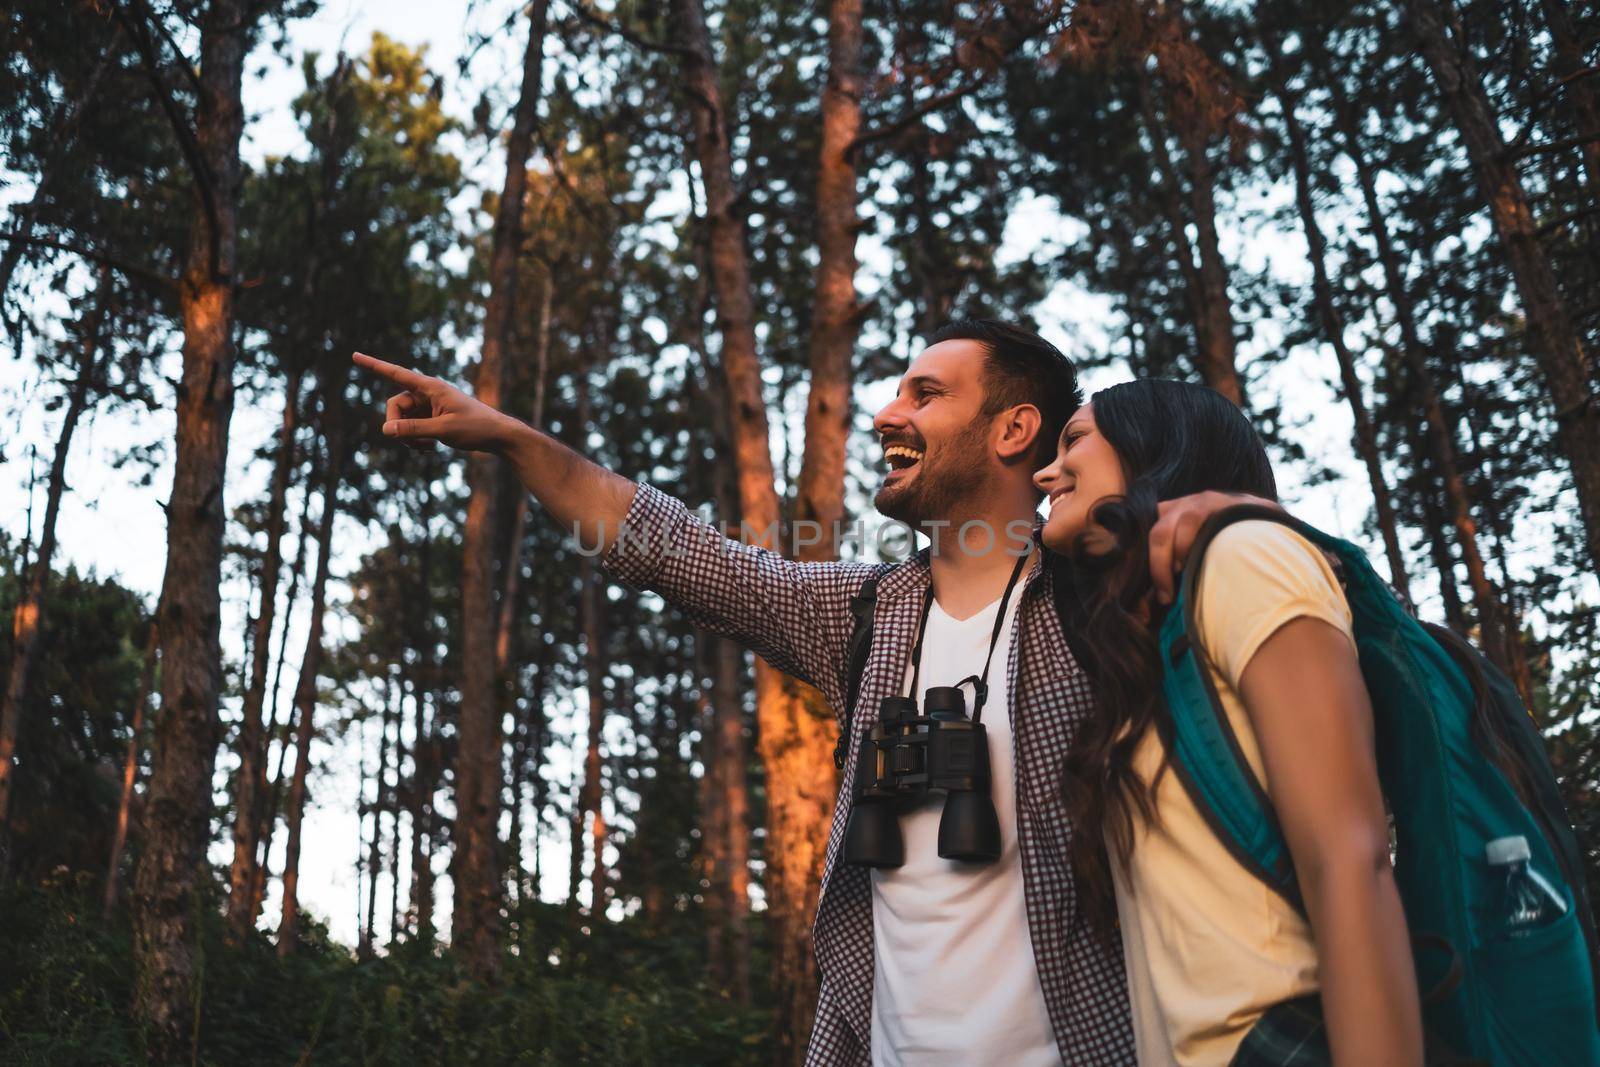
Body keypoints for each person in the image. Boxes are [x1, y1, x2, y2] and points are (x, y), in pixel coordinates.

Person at [354, 321, 1266, 1066]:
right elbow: (675, 551)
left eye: (924, 393)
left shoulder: (1098, 611)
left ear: (1014, 430)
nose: (884, 413)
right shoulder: (865, 613)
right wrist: (510, 437)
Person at [1032, 379, 1423, 1067]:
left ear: (1153, 442)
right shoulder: (1154, 646)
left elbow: (1351, 859)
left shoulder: (1246, 559)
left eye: (1074, 439)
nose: (1044, 470)